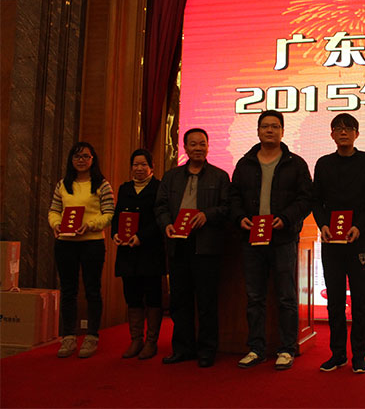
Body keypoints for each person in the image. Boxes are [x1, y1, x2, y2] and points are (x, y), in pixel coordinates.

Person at [230, 110, 312, 370]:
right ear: (258, 131)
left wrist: (286, 218)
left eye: (275, 126)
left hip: (283, 238)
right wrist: (240, 218)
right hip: (251, 238)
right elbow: (233, 196)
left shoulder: (296, 163)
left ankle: (286, 349)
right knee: (254, 296)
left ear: (282, 131)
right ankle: (256, 348)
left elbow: (305, 199)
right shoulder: (245, 163)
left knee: (286, 296)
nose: (270, 130)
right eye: (265, 126)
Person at [155, 128, 230, 368]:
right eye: (193, 144)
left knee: (207, 301)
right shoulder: (171, 177)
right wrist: (166, 224)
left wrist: (207, 215)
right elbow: (160, 207)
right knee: (179, 301)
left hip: (206, 246)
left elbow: (227, 207)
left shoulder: (220, 176)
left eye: (202, 144)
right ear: (185, 148)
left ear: (208, 146)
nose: (198, 148)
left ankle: (207, 350)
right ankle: (183, 348)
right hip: (178, 245)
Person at [312, 113, 365, 374]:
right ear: (331, 134)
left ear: (357, 134)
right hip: (331, 240)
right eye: (338, 129)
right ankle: (338, 353)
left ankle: (359, 355)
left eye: (348, 128)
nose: (343, 132)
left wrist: (359, 226)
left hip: (358, 239)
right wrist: (323, 225)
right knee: (335, 299)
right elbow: (315, 200)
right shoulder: (323, 164)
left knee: (361, 298)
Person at [48, 142, 114, 358]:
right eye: (77, 156)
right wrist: (56, 224)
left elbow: (109, 213)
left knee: (92, 290)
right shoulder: (63, 184)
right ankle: (68, 336)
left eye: (86, 156)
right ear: (71, 160)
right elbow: (54, 210)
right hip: (65, 243)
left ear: (93, 159)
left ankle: (92, 336)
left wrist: (91, 225)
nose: (81, 160)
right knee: (68, 290)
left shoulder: (102, 185)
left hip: (92, 243)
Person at [111, 149, 165, 360]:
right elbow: (117, 215)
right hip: (127, 251)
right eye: (136, 164)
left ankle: (151, 342)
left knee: (152, 296)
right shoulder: (124, 188)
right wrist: (115, 234)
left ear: (152, 167)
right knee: (132, 296)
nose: (139, 168)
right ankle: (136, 340)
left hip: (150, 250)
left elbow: (160, 219)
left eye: (144, 164)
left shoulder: (159, 187)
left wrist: (141, 236)